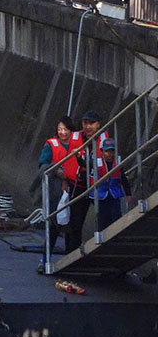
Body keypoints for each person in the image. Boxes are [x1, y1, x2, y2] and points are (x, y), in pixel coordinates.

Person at [65, 111, 110, 251]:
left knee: (105, 220)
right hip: (78, 185)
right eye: (85, 123)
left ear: (99, 124)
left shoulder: (104, 139)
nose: (88, 126)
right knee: (74, 222)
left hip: (98, 185)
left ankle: (105, 252)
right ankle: (71, 254)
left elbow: (107, 161)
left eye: (91, 123)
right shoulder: (75, 137)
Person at [36, 116, 75, 271]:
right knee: (53, 226)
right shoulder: (51, 145)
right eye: (60, 129)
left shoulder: (77, 145)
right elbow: (42, 167)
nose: (63, 132)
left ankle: (70, 259)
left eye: (65, 129)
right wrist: (56, 171)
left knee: (72, 226)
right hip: (55, 191)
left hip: (73, 189)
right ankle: (45, 259)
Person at [89, 137, 132, 231]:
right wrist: (78, 156)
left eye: (112, 151)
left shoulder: (118, 163)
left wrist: (128, 194)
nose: (110, 154)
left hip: (114, 193)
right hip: (100, 194)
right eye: (107, 151)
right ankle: (102, 237)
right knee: (103, 217)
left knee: (116, 215)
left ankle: (116, 234)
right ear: (102, 151)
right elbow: (84, 165)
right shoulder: (95, 162)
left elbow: (123, 179)